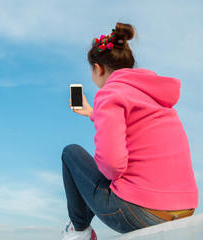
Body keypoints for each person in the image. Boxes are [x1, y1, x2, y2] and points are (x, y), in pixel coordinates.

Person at [61, 22, 198, 240]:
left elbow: (112, 166)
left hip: (141, 212)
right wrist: (91, 112)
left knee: (70, 152)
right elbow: (135, 122)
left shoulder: (109, 93)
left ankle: (79, 231)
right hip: (185, 209)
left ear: (98, 69)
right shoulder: (155, 97)